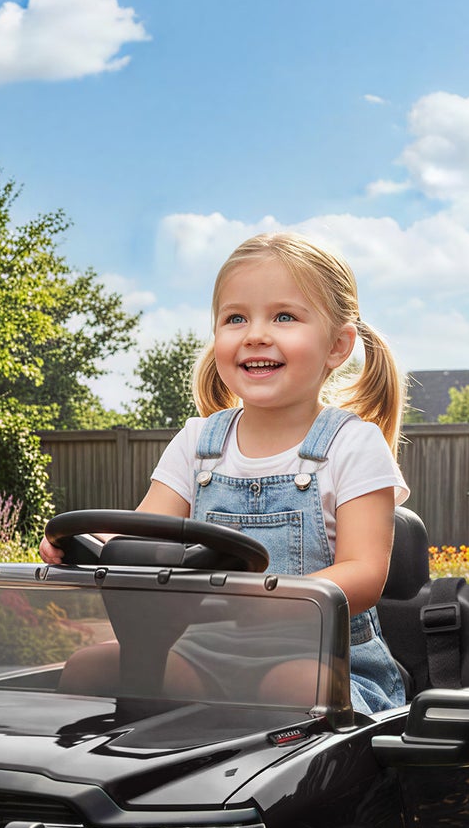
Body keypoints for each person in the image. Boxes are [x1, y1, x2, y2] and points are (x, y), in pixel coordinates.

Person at [40, 231, 408, 715]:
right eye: (236, 318)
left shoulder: (352, 445)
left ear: (338, 346)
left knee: (293, 687)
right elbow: (147, 531)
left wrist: (268, 603)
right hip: (204, 651)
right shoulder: (198, 444)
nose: (255, 333)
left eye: (284, 316)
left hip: (320, 655)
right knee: (92, 669)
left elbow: (364, 573)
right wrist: (86, 545)